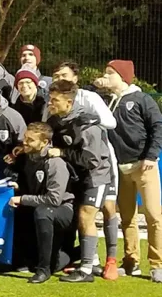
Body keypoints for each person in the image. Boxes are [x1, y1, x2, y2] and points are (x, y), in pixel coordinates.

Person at [102, 60, 162, 282]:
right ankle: (131, 261)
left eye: (110, 74)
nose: (106, 77)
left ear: (123, 77)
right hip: (121, 169)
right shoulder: (110, 102)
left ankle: (157, 264)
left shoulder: (142, 99)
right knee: (127, 217)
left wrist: (151, 155)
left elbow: (157, 126)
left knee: (154, 215)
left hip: (143, 165)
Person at [46, 80, 111, 283]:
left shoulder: (86, 124)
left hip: (96, 176)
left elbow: (92, 160)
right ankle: (92, 262)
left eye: (55, 100)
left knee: (86, 217)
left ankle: (86, 270)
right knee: (81, 219)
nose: (51, 103)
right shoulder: (58, 120)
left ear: (69, 102)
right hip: (79, 178)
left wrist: (63, 153)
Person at [9, 122, 76, 284]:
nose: (25, 142)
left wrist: (23, 198)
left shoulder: (55, 163)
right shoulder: (27, 157)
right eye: (25, 138)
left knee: (43, 211)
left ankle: (45, 270)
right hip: (40, 207)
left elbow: (54, 199)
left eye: (30, 140)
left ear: (44, 143)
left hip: (62, 210)